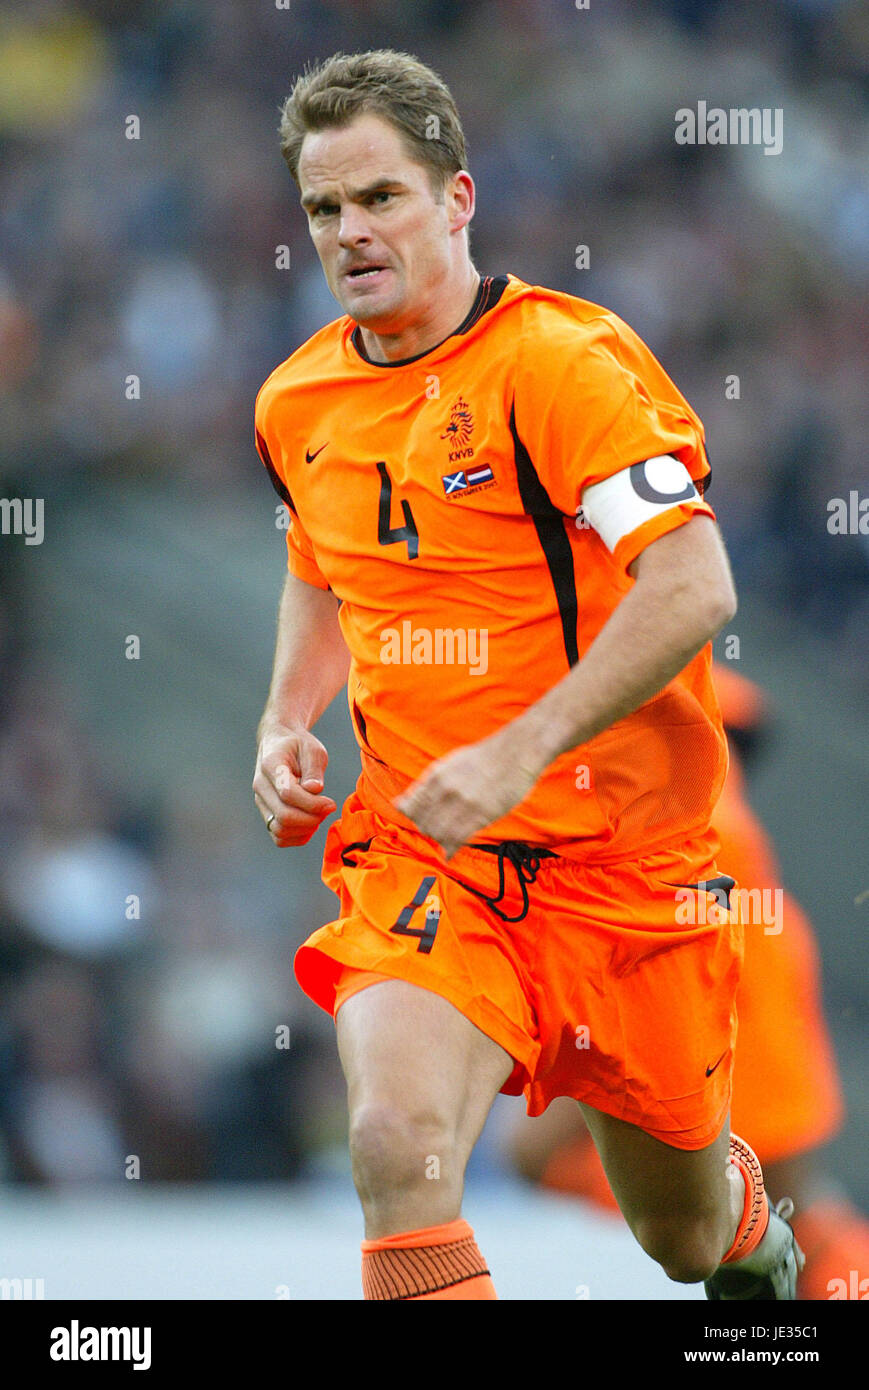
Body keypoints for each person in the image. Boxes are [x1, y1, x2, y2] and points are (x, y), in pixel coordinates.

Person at [251, 49, 802, 1300]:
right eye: (323, 208)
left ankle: (740, 1227)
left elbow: (694, 587)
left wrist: (517, 749)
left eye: (379, 197)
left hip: (624, 874)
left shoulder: (560, 363)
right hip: (428, 855)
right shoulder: (296, 401)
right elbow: (319, 567)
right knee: (394, 1145)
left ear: (456, 199)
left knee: (679, 1236)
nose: (349, 231)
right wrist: (284, 717)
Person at [508, 663, 869, 1300]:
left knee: (758, 1240)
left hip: (712, 1112)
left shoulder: (689, 830)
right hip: (747, 1118)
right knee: (791, 1238)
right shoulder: (727, 838)